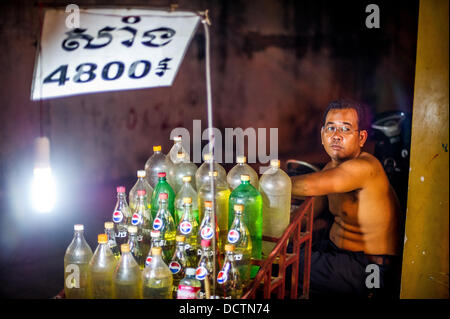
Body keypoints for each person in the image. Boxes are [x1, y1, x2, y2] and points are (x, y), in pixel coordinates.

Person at [291, 99, 402, 298]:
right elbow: (306, 216)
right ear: (322, 135)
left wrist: (260, 183)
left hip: (370, 269)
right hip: (338, 256)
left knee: (285, 266)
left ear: (361, 138)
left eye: (346, 129)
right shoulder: (330, 170)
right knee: (282, 255)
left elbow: (308, 185)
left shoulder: (365, 167)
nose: (336, 136)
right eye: (331, 128)